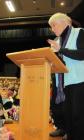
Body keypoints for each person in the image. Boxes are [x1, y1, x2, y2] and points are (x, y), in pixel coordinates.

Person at [47, 12, 84, 140]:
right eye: (51, 26)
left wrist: (60, 50)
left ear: (65, 22)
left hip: (79, 81)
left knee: (78, 116)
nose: (52, 29)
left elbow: (82, 54)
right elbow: (57, 62)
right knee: (67, 116)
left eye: (54, 25)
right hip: (62, 83)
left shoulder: (79, 32)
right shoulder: (57, 41)